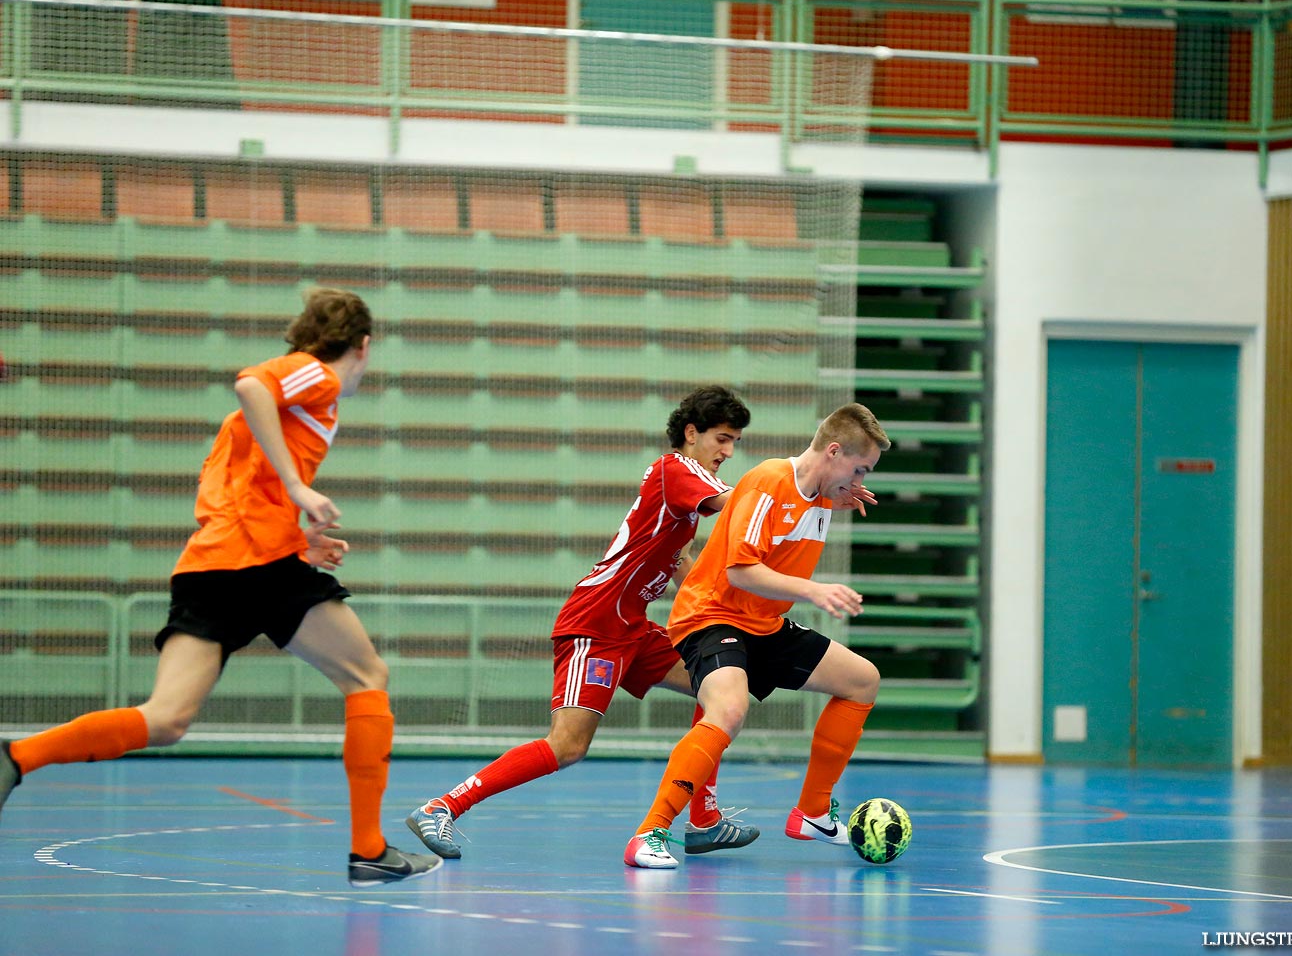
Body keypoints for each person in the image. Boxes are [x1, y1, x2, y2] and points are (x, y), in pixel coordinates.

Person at [0, 287, 440, 887]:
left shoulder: (256, 428)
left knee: (164, 720)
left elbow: (239, 497)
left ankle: (16, 758)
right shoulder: (318, 380)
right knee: (367, 678)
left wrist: (299, 539)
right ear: (362, 346)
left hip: (213, 563)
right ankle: (368, 849)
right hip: (257, 565)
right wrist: (301, 490)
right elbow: (252, 383)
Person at [405, 387, 764, 860]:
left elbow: (680, 562)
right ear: (691, 433)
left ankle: (703, 819)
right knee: (568, 745)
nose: (729, 451)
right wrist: (807, 488)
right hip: (595, 624)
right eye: (722, 438)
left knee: (719, 685)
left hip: (632, 627)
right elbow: (739, 505)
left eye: (735, 441)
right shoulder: (675, 469)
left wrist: (715, 614)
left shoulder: (683, 490)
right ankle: (442, 807)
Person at [623, 402, 890, 869]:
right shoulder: (769, 481)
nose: (861, 480)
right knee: (729, 709)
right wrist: (815, 591)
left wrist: (841, 495)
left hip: (761, 624)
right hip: (712, 615)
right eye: (860, 468)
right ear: (833, 451)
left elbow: (795, 530)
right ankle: (649, 834)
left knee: (862, 680)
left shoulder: (824, 494)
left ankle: (811, 812)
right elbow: (741, 571)